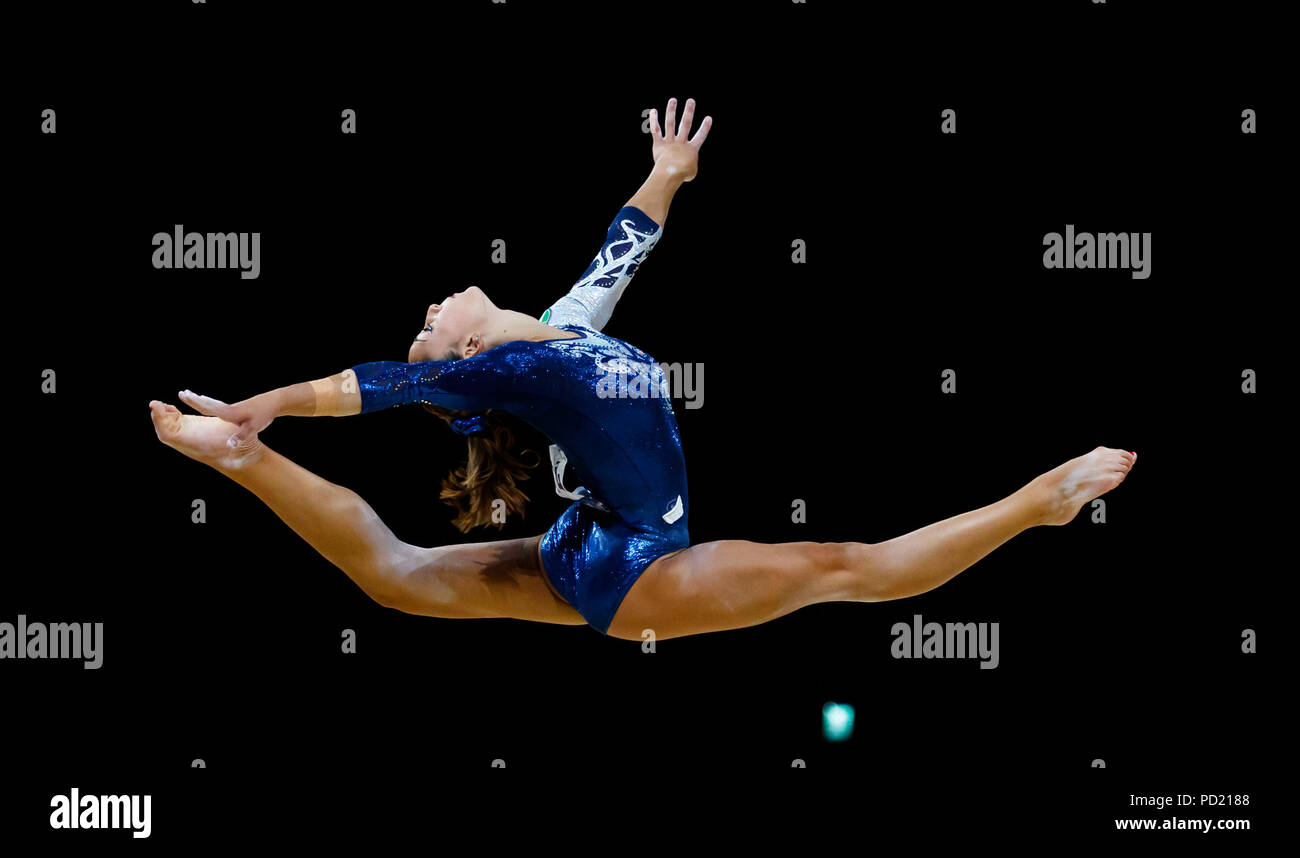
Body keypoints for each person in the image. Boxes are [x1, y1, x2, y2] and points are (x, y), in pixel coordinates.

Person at [150, 96, 1137, 641]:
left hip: (585, 541)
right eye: (430, 323)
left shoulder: (551, 328)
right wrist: (265, 406)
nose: (433, 307)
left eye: (428, 315)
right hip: (642, 567)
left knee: (398, 580)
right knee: (850, 569)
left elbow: (621, 249)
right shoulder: (499, 371)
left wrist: (666, 175)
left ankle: (236, 460)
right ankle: (1035, 504)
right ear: (461, 348)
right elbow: (370, 385)